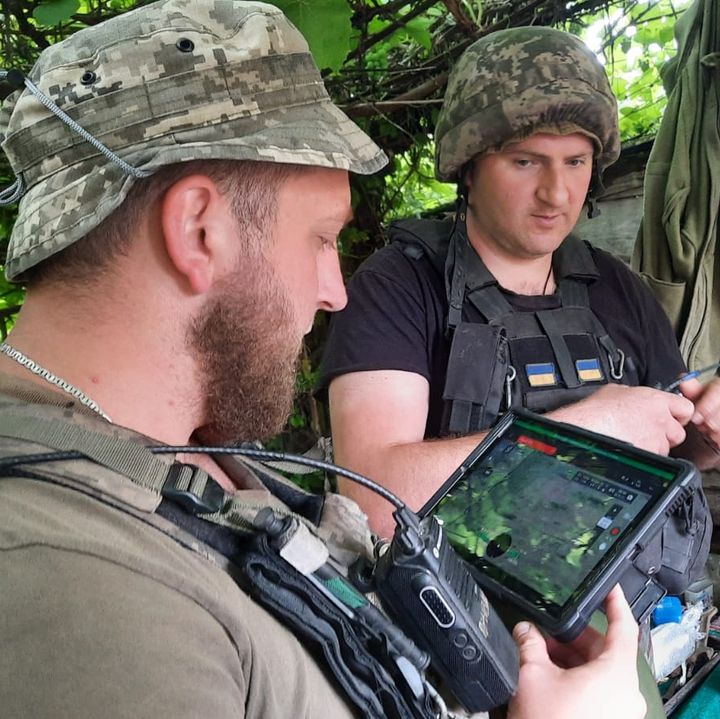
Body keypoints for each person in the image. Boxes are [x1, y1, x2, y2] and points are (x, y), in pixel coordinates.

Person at [0, 4, 647, 718]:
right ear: (199, 230)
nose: (337, 292)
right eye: (320, 239)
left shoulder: (176, 459)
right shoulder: (78, 588)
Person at [318, 26, 720, 540]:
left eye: (575, 162)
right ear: (468, 168)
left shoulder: (615, 286)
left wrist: (705, 435)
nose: (555, 194)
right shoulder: (398, 286)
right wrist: (591, 430)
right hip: (460, 613)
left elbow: (676, 447)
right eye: (526, 162)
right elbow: (373, 502)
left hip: (635, 606)